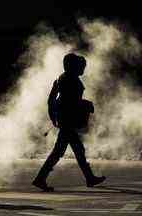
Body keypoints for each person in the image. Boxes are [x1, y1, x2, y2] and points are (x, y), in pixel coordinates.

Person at [32, 53, 106, 192]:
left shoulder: (63, 78)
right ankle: (40, 178)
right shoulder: (70, 80)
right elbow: (71, 102)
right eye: (80, 66)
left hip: (65, 120)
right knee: (63, 151)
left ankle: (89, 178)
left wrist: (53, 116)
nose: (83, 68)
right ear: (73, 66)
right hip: (68, 121)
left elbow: (52, 100)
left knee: (74, 150)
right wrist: (86, 104)